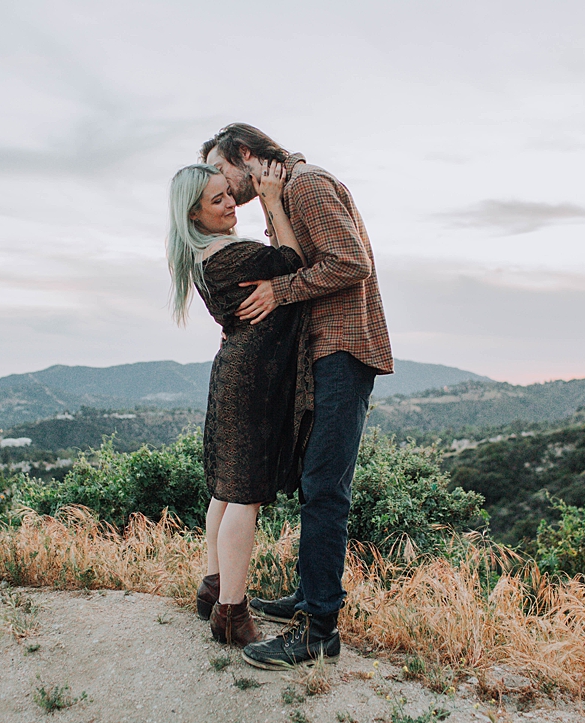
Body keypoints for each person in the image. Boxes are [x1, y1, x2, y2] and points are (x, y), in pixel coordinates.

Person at [199, 124, 393, 669]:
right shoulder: (282, 194)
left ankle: (318, 631)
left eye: (221, 170)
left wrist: (279, 289)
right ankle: (310, 601)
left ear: (243, 154)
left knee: (324, 490)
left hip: (341, 349)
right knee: (314, 485)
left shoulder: (305, 185)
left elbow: (353, 261)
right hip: (320, 353)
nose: (222, 185)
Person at [165, 161, 313, 647]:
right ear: (194, 216)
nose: (231, 203)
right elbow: (293, 262)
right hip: (251, 378)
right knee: (245, 496)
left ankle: (213, 586)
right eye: (217, 200)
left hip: (237, 373)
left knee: (227, 491)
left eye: (228, 193)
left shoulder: (208, 255)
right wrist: (272, 200)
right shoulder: (229, 257)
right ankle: (231, 613)